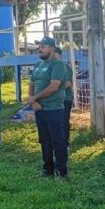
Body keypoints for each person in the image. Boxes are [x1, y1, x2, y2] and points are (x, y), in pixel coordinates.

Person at [28, 36, 68, 178]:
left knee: (57, 141)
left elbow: (53, 87)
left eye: (43, 47)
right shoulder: (38, 65)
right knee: (44, 141)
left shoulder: (58, 65)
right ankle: (47, 169)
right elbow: (32, 83)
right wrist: (32, 101)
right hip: (40, 109)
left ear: (51, 48)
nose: (40, 49)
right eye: (39, 47)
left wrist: (35, 98)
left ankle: (61, 171)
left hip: (54, 110)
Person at [54, 46, 74, 148]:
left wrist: (54, 88)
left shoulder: (66, 68)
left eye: (55, 54)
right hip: (54, 100)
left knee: (63, 121)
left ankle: (65, 143)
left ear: (60, 55)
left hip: (65, 99)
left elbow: (69, 83)